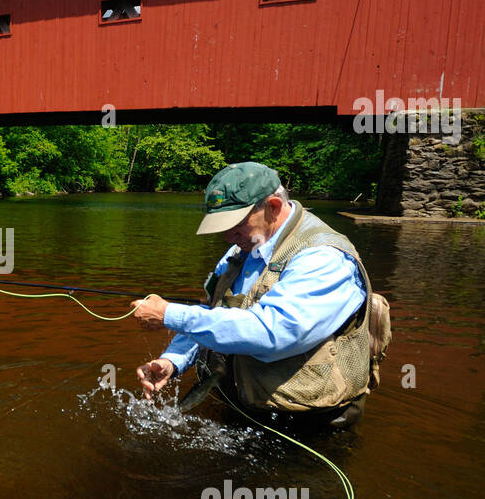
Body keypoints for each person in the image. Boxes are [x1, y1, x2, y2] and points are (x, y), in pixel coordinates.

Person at [131, 161, 380, 429]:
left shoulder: (324, 258)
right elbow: (213, 313)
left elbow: (270, 333)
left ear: (273, 207)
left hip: (310, 424)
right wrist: (172, 361)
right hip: (246, 405)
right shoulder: (242, 249)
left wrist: (169, 314)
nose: (227, 236)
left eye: (235, 223)